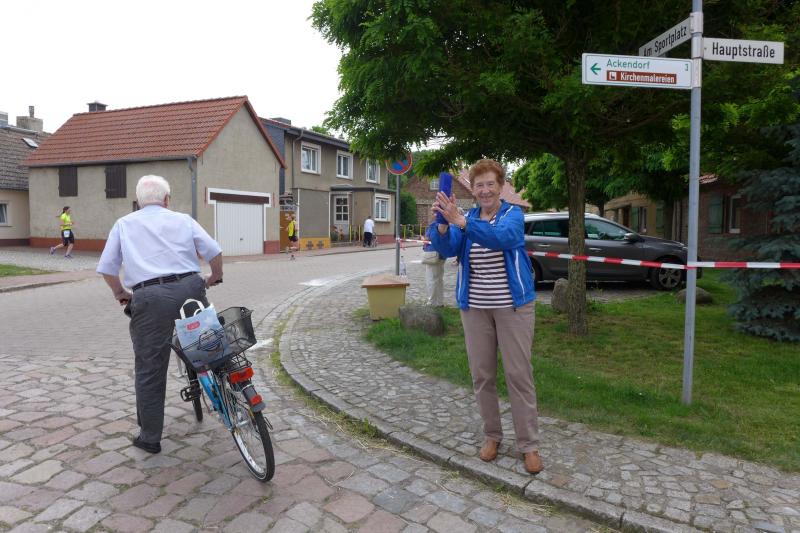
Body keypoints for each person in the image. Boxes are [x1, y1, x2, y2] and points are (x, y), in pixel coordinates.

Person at [428, 159, 542, 474]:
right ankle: (492, 435)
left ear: (500, 186)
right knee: (482, 376)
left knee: (519, 375)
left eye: (491, 184)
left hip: (513, 308)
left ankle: (529, 445)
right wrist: (443, 223)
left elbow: (502, 238)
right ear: (474, 191)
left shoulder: (512, 215)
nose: (485, 190)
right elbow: (449, 248)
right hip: (475, 308)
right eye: (479, 185)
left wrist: (462, 222)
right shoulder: (466, 218)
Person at [96, 175, 223, 454]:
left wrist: (121, 293)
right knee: (211, 346)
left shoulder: (124, 224)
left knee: (150, 367)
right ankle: (231, 397)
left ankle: (150, 437)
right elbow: (213, 251)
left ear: (138, 201)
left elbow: (107, 268)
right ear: (166, 199)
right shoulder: (183, 220)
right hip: (190, 288)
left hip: (150, 297)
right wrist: (215, 276)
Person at [421, 231, 445, 306]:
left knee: (431, 279)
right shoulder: (443, 224)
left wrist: (423, 239)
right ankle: (439, 302)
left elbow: (428, 238)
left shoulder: (433, 226)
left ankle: (431, 302)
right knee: (438, 279)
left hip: (432, 254)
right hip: (441, 254)